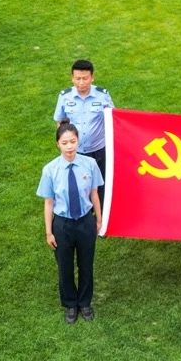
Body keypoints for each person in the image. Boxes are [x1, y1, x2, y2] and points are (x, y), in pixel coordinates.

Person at [37, 124, 103, 324]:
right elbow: (49, 203)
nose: (69, 146)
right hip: (62, 225)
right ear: (58, 144)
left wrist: (98, 219)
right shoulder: (50, 170)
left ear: (78, 141)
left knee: (86, 265)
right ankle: (70, 305)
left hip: (85, 222)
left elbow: (94, 194)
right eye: (64, 142)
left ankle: (85, 303)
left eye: (73, 141)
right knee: (65, 267)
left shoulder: (90, 164)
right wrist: (49, 232)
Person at [54, 59, 113, 189]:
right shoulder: (64, 97)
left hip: (99, 150)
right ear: (72, 78)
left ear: (92, 77)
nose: (81, 82)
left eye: (85, 78)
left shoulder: (103, 95)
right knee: (81, 185)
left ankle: (100, 202)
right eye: (78, 78)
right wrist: (64, 145)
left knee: (101, 184)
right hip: (76, 151)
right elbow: (60, 122)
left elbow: (113, 119)